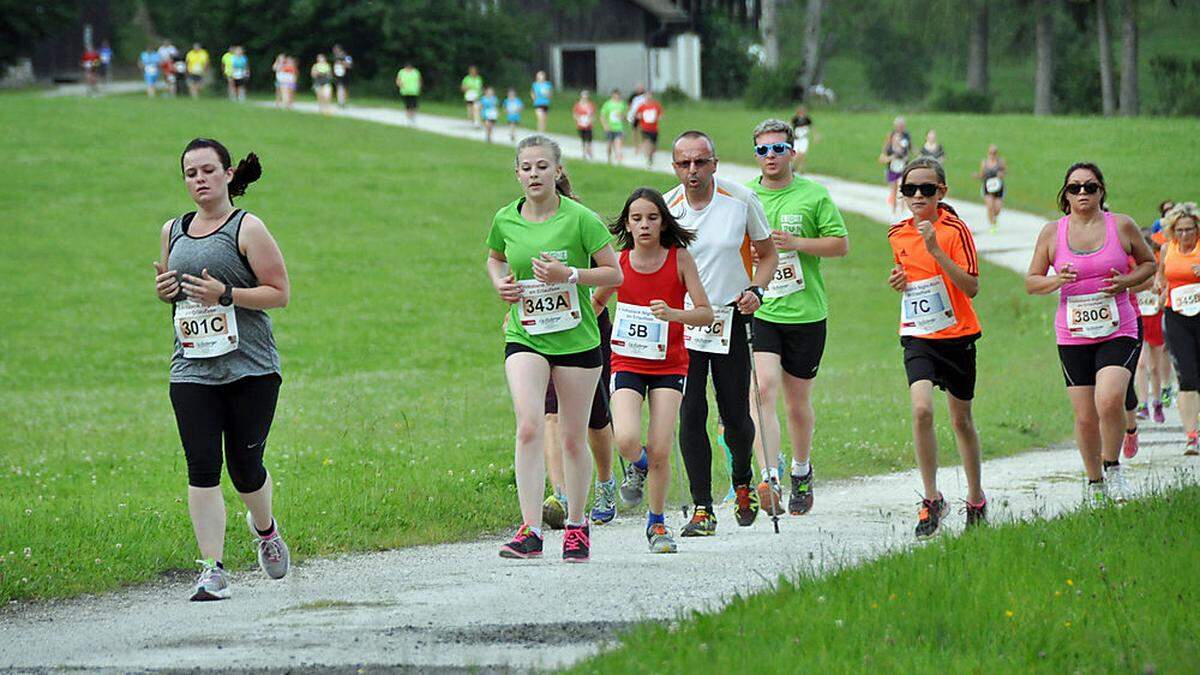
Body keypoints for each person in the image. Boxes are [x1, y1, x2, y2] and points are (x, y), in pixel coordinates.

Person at [153, 138, 291, 600]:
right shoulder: (172, 230)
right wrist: (166, 289)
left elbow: (279, 292)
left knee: (245, 467)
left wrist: (227, 295)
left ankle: (266, 530)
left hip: (250, 368)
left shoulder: (247, 228)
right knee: (201, 467)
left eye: (208, 171)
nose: (199, 180)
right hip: (191, 368)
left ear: (228, 174)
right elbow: (178, 296)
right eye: (191, 173)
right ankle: (211, 569)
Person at [485, 135, 622, 561]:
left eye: (542, 166)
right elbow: (494, 258)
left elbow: (614, 274)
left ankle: (577, 527)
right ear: (517, 174)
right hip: (524, 335)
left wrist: (571, 275)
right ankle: (529, 530)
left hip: (577, 339)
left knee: (572, 437)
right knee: (528, 424)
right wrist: (500, 283)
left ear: (558, 171)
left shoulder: (581, 219)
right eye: (526, 168)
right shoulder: (506, 219)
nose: (534, 175)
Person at [665, 130, 778, 535]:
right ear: (674, 167)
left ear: (714, 163)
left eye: (700, 162)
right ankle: (702, 508)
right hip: (684, 322)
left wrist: (757, 290)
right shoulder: (667, 207)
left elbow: (767, 255)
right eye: (684, 163)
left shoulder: (740, 201)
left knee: (734, 414)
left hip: (730, 316)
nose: (692, 171)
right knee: (690, 411)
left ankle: (743, 480)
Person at [591, 188, 713, 552]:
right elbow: (596, 304)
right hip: (627, 361)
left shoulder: (679, 260)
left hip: (669, 365)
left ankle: (657, 525)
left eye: (652, 218)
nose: (644, 225)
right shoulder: (620, 264)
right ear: (627, 225)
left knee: (661, 446)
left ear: (663, 221)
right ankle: (637, 464)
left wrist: (674, 314)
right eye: (637, 219)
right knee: (626, 438)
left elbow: (705, 313)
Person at [1025, 162, 1155, 502]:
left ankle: (1112, 468)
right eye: (1075, 187)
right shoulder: (1052, 233)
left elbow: (1149, 264)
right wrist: (1057, 280)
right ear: (1065, 195)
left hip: (1118, 327)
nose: (1082, 192)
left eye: (1090, 187)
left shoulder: (1121, 225)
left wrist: (1126, 282)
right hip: (1073, 333)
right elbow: (1032, 281)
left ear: (1101, 191)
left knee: (1110, 399)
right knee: (1085, 418)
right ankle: (1095, 483)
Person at [745, 119, 849, 518]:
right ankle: (768, 475)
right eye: (762, 150)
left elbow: (840, 244)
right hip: (762, 307)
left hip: (805, 312)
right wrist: (752, 255)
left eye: (777, 149)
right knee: (762, 389)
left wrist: (796, 243)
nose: (770, 156)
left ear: (792, 151)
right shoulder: (744, 196)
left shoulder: (813, 194)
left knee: (796, 402)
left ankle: (801, 471)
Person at [886, 158, 987, 538]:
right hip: (919, 335)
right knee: (922, 409)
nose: (917, 196)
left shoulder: (955, 230)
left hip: (958, 334)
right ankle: (931, 498)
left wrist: (936, 250)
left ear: (941, 192)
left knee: (961, 421)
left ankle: (976, 499)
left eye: (926, 189)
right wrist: (899, 279)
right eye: (909, 189)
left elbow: (972, 287)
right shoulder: (897, 233)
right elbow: (906, 274)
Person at [539, 305, 617, 529]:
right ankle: (561, 495)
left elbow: (613, 276)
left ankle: (604, 482)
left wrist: (596, 302)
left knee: (595, 417)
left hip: (587, 327)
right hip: (546, 329)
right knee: (552, 413)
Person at [1156, 202, 1200, 455]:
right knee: (1186, 375)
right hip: (1177, 316)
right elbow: (1161, 278)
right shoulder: (1166, 250)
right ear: (1174, 231)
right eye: (1180, 230)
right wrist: (1160, 290)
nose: (1185, 235)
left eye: (1190, 230)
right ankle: (1191, 436)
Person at [879, 117, 911, 215]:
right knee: (893, 189)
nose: (901, 127)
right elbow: (882, 157)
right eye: (899, 125)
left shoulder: (907, 136)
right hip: (892, 169)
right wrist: (890, 158)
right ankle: (893, 209)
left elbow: (909, 150)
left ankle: (902, 209)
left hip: (902, 168)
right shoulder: (890, 140)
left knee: (902, 187)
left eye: (902, 125)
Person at [977, 144, 1006, 233]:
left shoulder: (1001, 162)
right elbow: (981, 175)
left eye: (994, 153)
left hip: (998, 187)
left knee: (997, 209)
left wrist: (1001, 175)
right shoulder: (984, 162)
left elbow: (1004, 172)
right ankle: (992, 225)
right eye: (991, 153)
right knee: (990, 206)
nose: (992, 155)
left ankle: (994, 218)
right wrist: (978, 176)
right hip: (988, 186)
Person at [635, 90, 664, 168]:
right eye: (647, 96)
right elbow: (637, 115)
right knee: (648, 143)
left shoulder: (656, 105)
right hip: (645, 128)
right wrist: (639, 116)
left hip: (654, 129)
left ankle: (650, 157)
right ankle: (648, 159)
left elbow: (661, 114)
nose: (649, 97)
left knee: (654, 147)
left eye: (650, 96)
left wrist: (660, 117)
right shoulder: (642, 106)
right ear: (645, 97)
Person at [599, 90, 627, 165]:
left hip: (619, 128)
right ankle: (609, 158)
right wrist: (605, 125)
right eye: (615, 95)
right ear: (612, 95)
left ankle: (619, 160)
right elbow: (602, 116)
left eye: (618, 95)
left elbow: (625, 116)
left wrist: (622, 117)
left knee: (618, 144)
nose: (617, 97)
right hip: (609, 128)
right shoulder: (608, 104)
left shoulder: (622, 104)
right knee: (609, 145)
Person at [573, 90, 596, 160]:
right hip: (580, 125)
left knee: (589, 140)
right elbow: (575, 114)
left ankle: (589, 151)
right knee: (583, 139)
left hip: (588, 125)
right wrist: (578, 119)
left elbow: (593, 115)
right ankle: (584, 153)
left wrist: (590, 121)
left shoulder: (590, 105)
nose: (584, 98)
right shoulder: (577, 105)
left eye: (586, 97)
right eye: (583, 97)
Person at [790, 105, 813, 173]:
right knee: (796, 154)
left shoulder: (807, 119)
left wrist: (816, 136)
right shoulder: (795, 119)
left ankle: (800, 169)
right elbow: (789, 125)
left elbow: (812, 127)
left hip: (804, 138)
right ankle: (793, 166)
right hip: (797, 139)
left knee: (802, 154)